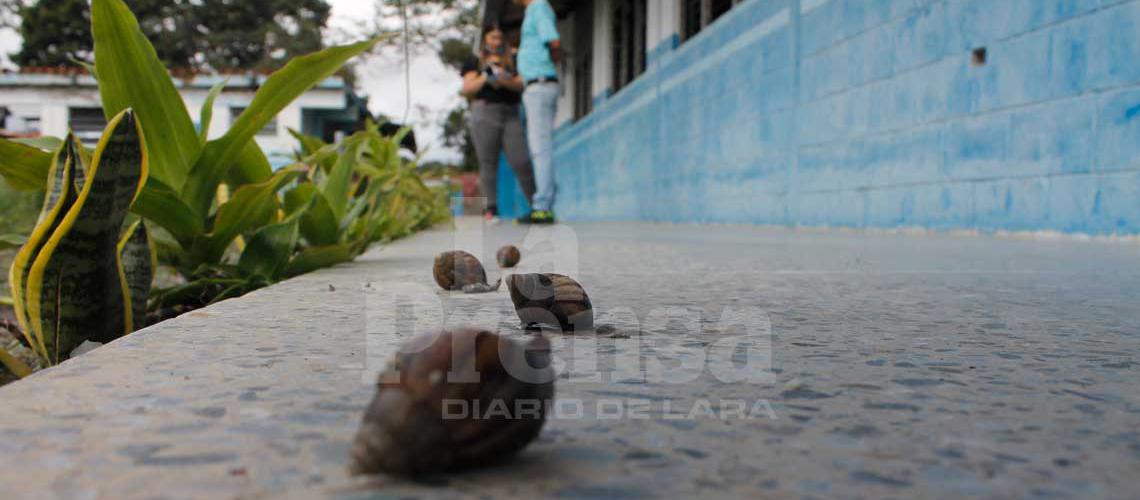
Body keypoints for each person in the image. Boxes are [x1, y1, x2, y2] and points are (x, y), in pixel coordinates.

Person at [461, 26, 537, 223]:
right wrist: (486, 74)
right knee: (488, 162)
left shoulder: (515, 58)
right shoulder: (474, 60)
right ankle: (491, 209)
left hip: (511, 111)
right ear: (485, 39)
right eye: (492, 37)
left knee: (522, 161)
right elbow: (468, 88)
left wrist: (504, 79)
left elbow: (521, 84)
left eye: (499, 37)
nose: (496, 42)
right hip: (485, 111)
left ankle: (537, 207)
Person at [514, 0, 561, 225]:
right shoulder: (532, 11)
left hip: (540, 86)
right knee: (540, 148)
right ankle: (542, 203)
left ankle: (542, 206)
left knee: (540, 149)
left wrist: (548, 63)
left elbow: (553, 41)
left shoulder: (538, 6)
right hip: (536, 86)